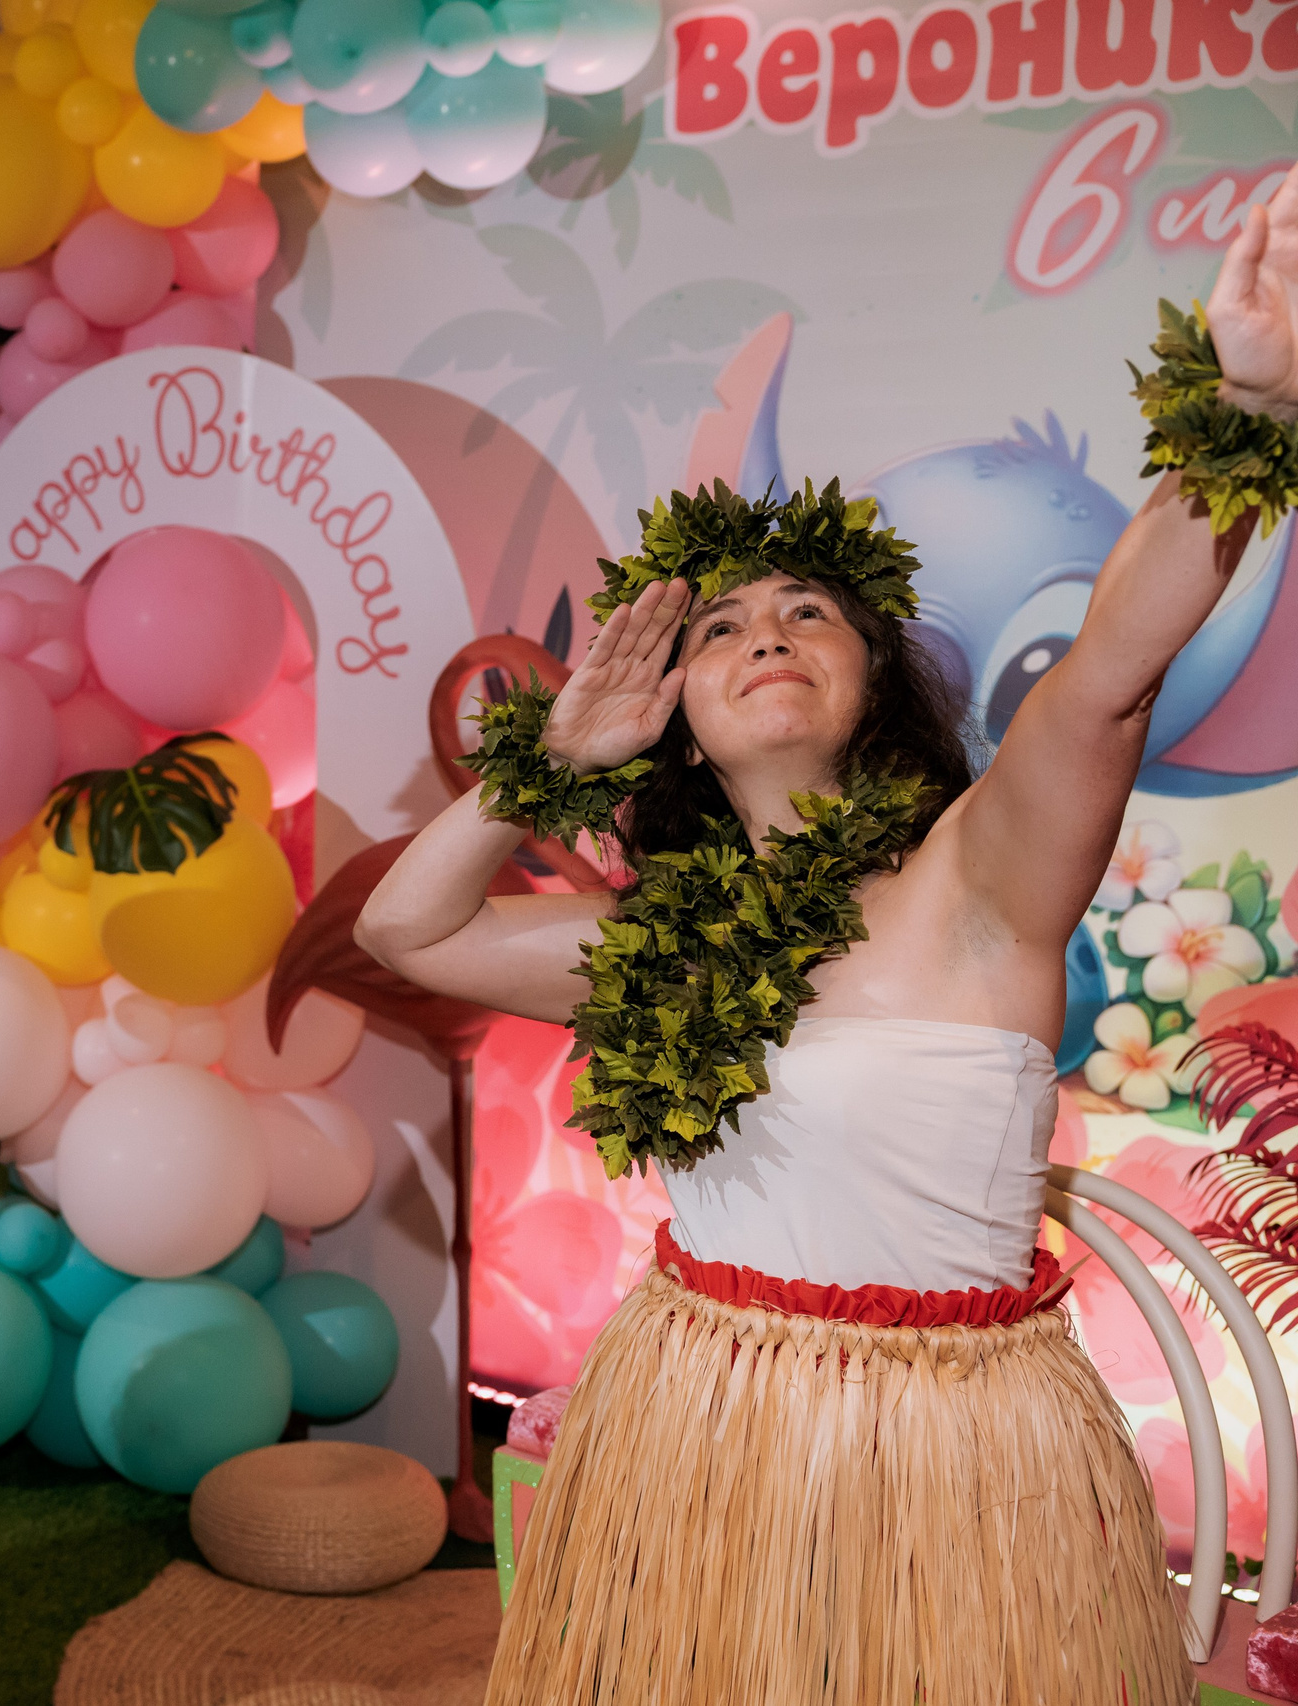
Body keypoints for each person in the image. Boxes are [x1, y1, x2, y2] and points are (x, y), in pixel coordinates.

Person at [356, 174, 1298, 1705]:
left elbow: (1113, 671)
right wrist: (547, 768)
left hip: (951, 1464)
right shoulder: (652, 945)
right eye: (722, 626)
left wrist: (1243, 414)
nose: (768, 635)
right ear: (676, 704)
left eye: (808, 612)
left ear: (875, 675)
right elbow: (407, 927)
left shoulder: (978, 879)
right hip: (696, 1435)